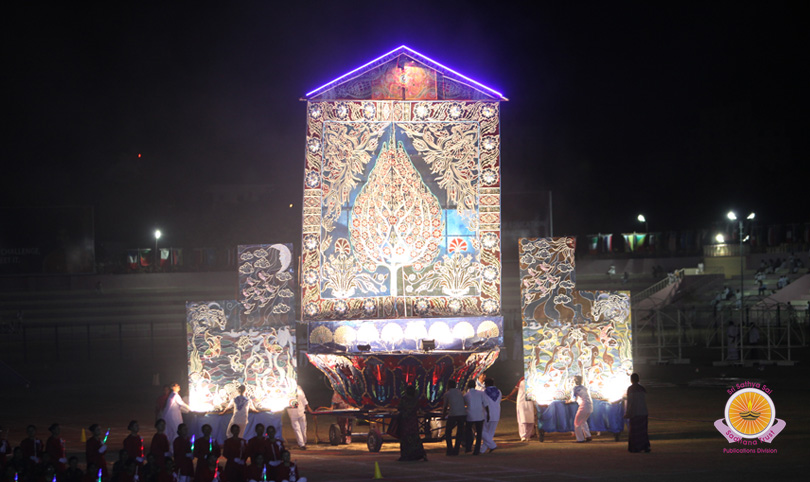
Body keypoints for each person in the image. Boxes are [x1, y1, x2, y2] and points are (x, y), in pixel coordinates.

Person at [395, 385, 427, 462]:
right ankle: (418, 454)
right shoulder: (415, 400)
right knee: (415, 438)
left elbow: (399, 407)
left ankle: (405, 455)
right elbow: (418, 408)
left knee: (405, 438)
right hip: (413, 421)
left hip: (405, 421)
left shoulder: (403, 399)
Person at [624, 373, 651, 453]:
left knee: (635, 432)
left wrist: (628, 413)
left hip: (635, 413)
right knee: (643, 431)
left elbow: (630, 402)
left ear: (631, 380)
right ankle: (645, 446)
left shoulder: (631, 389)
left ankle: (635, 447)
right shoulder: (642, 388)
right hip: (643, 412)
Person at [463, 380, 489, 456]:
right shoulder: (481, 393)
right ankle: (477, 450)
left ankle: (468, 447)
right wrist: (488, 414)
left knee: (469, 432)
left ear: (468, 386)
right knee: (479, 433)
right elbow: (486, 404)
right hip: (479, 416)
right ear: (475, 386)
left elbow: (464, 405)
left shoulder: (466, 395)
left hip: (470, 416)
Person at [441, 380, 466, 456]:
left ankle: (449, 449)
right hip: (462, 414)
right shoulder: (460, 392)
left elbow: (445, 406)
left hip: (453, 414)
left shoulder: (447, 394)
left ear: (448, 385)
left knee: (448, 432)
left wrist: (443, 415)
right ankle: (456, 450)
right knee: (459, 432)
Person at [505, 377, 535, 442]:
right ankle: (523, 436)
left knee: (530, 420)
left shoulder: (535, 379)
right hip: (521, 401)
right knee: (522, 419)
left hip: (530, 402)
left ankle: (528, 436)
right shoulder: (522, 379)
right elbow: (516, 388)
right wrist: (510, 395)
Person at [285, 386, 311, 450]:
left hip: (301, 411)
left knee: (303, 428)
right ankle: (301, 444)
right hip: (293, 413)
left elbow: (304, 400)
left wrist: (308, 408)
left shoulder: (299, 389)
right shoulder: (286, 391)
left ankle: (303, 442)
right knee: (297, 429)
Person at [569, 376, 593, 443]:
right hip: (590, 406)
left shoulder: (575, 388)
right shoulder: (585, 388)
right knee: (583, 421)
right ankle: (588, 436)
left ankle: (580, 439)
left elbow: (573, 399)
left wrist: (568, 401)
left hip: (583, 406)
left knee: (577, 423)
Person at [481, 378, 501, 454]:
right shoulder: (499, 391)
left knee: (482, 431)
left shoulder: (483, 392)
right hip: (496, 413)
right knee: (490, 433)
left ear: (486, 384)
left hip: (486, 414)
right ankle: (482, 450)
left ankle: (492, 445)